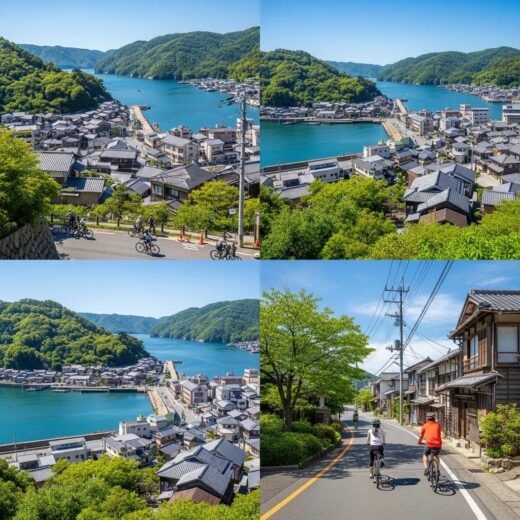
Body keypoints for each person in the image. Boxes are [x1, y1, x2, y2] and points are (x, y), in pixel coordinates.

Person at [418, 412, 442, 477]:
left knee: (425, 454)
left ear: (427, 418)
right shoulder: (438, 425)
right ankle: (438, 470)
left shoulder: (425, 425)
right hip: (438, 445)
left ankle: (426, 469)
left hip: (428, 444)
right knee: (436, 455)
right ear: (434, 418)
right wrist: (436, 422)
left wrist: (419, 441)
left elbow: (421, 435)